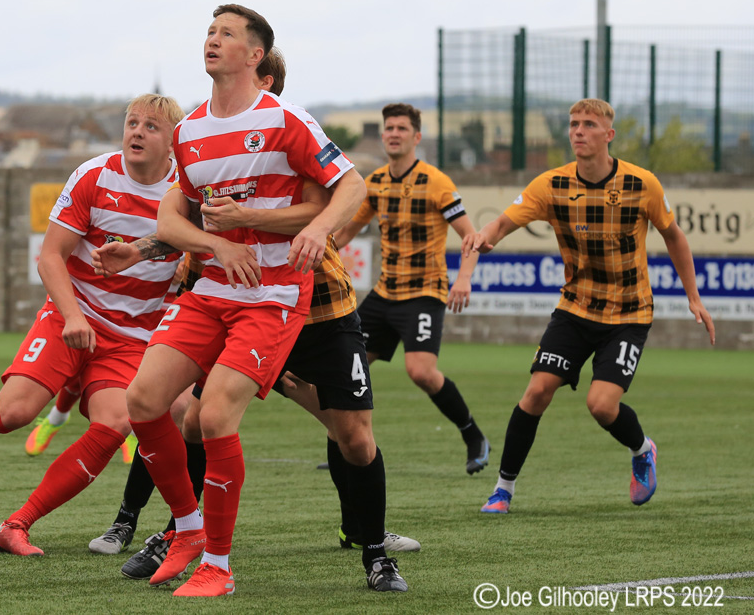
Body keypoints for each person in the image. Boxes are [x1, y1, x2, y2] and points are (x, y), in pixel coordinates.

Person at [94, 49, 415, 590]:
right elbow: (188, 217)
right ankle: (177, 530)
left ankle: (374, 545)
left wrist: (247, 218)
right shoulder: (209, 144)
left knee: (353, 436)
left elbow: (326, 205)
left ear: (266, 86)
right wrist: (143, 249)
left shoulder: (290, 144)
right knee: (186, 414)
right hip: (234, 305)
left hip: (314, 310)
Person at [0, 94, 187, 556]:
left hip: (131, 338)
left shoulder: (186, 195)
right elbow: (49, 257)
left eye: (151, 127)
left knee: (116, 422)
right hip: (70, 315)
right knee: (15, 412)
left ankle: (16, 525)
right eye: (132, 123)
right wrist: (75, 316)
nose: (137, 132)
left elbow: (200, 249)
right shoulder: (94, 175)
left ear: (173, 143)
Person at [462, 98, 716, 515]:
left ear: (608, 135)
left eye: (589, 124)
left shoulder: (641, 184)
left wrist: (693, 297)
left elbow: (675, 237)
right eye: (574, 124)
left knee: (600, 405)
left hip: (629, 314)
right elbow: (504, 221)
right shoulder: (552, 185)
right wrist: (487, 235)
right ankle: (502, 490)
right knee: (537, 391)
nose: (578, 131)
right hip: (575, 309)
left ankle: (642, 449)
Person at [334, 103, 490, 475]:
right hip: (385, 293)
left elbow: (473, 238)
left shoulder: (437, 182)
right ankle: (348, 444)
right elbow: (343, 234)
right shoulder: (375, 183)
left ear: (416, 137)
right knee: (348, 367)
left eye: (402, 128)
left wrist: (464, 278)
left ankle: (473, 435)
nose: (393, 134)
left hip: (424, 293)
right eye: (389, 128)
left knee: (420, 371)